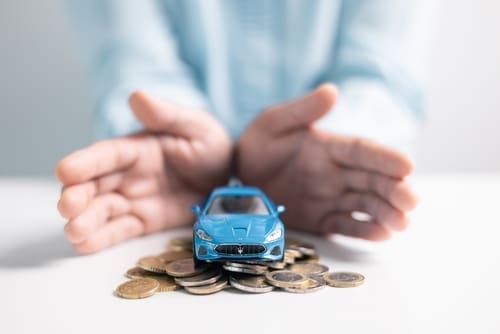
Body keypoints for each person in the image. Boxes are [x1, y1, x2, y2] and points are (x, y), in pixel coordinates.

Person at [57, 0, 425, 254]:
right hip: (168, 183)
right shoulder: (211, 221)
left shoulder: (268, 221)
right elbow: (133, 63)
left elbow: (382, 75)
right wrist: (167, 133)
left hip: (317, 180)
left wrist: (331, 138)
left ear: (274, 212)